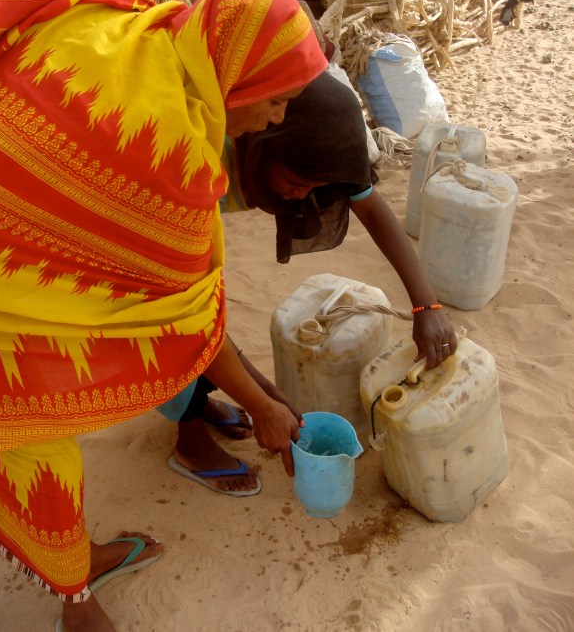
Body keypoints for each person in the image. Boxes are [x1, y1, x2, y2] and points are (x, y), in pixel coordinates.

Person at [0, 0, 329, 632]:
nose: (276, 117)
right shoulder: (173, 157)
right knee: (30, 431)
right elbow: (186, 322)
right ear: (241, 77)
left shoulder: (129, 22)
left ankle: (74, 562)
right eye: (277, 99)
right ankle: (78, 603)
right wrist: (264, 408)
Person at [166, 70, 458, 496]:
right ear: (265, 144)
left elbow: (371, 208)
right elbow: (186, 316)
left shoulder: (317, 138)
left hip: (189, 247)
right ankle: (189, 439)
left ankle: (200, 399)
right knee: (171, 330)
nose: (303, 198)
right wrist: (261, 402)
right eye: (297, 183)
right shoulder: (194, 167)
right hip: (131, 249)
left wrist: (425, 306)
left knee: (208, 318)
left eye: (315, 187)